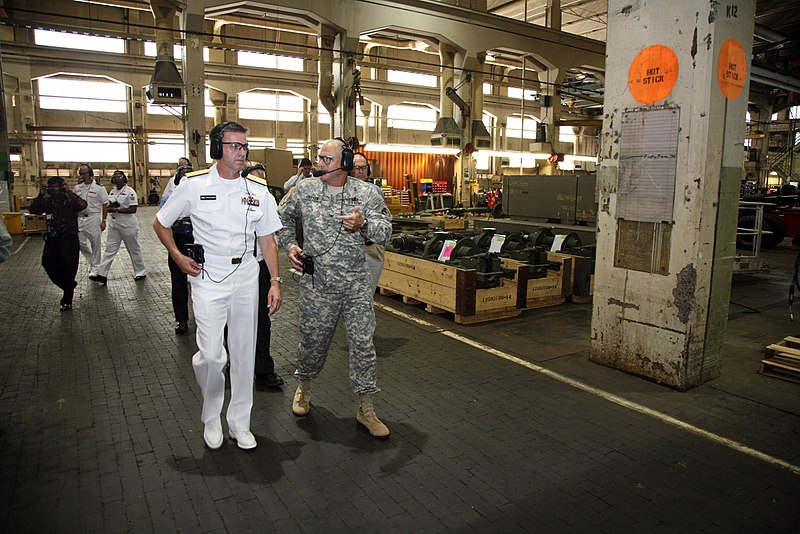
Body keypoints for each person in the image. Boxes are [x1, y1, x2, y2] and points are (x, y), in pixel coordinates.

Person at [154, 121, 283, 451]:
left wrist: (276, 282)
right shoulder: (193, 186)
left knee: (244, 355)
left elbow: (267, 239)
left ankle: (240, 424)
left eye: (244, 147)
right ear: (216, 148)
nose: (241, 153)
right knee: (212, 356)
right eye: (233, 146)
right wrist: (178, 257)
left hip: (246, 279)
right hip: (208, 279)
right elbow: (161, 222)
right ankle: (211, 416)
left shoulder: (257, 190)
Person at [277, 138, 392, 439]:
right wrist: (290, 245)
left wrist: (364, 222)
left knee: (363, 346)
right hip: (318, 285)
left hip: (355, 284)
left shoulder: (365, 193)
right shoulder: (304, 189)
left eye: (326, 159)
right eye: (319, 158)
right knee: (313, 342)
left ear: (344, 162)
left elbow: (386, 230)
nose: (320, 164)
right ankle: (304, 386)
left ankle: (366, 407)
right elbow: (281, 219)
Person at [242, 161, 284, 388]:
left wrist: (274, 280)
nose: (260, 180)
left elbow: (271, 239)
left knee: (261, 319)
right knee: (232, 320)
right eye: (255, 176)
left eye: (263, 177)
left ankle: (263, 371)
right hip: (237, 269)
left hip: (260, 266)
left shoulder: (266, 199)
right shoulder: (235, 197)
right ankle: (234, 362)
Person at [29, 177, 87, 310]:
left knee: (69, 268)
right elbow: (34, 210)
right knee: (47, 262)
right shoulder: (48, 200)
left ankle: (67, 299)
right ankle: (68, 286)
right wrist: (41, 195)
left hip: (68, 238)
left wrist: (69, 192)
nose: (52, 191)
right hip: (53, 238)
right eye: (50, 188)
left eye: (55, 188)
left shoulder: (69, 199)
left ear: (62, 187)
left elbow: (82, 205)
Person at [90, 171, 146, 284]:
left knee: (133, 248)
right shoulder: (112, 192)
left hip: (127, 224)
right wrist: (110, 208)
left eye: (119, 177)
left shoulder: (130, 192)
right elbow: (108, 204)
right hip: (114, 224)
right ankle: (102, 274)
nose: (116, 179)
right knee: (109, 249)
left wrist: (116, 209)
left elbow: (133, 209)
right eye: (114, 177)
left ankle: (140, 271)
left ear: (124, 179)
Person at [159, 164, 194, 335]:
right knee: (178, 280)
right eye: (183, 178)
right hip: (178, 239)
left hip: (198, 241)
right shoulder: (170, 197)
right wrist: (174, 251)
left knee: (201, 280)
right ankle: (182, 320)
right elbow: (161, 220)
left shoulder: (201, 193)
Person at [350, 152, 391, 294]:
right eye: (357, 168)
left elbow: (384, 222)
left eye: (364, 168)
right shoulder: (343, 190)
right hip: (350, 249)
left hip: (371, 249)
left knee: (367, 294)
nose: (361, 171)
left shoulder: (376, 191)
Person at [72, 163, 109, 276]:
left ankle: (96, 268)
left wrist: (103, 220)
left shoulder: (99, 188)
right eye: (80, 174)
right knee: (80, 243)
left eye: (83, 173)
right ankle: (93, 263)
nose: (81, 176)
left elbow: (105, 205)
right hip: (80, 218)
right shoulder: (77, 188)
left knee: (95, 243)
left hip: (93, 218)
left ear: (90, 173)